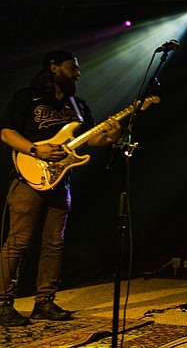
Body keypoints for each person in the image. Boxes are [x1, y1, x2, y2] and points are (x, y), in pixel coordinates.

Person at [0, 50, 122, 327]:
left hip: (60, 180)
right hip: (27, 176)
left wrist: (111, 135)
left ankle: (44, 301)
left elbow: (90, 141)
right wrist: (35, 149)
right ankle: (2, 303)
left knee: (54, 243)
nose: (77, 73)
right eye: (72, 68)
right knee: (18, 242)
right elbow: (6, 132)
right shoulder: (26, 97)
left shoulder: (77, 105)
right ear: (53, 68)